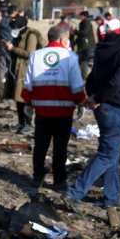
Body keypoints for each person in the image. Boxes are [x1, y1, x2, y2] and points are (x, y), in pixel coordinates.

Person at [62, 11, 120, 214]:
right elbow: (118, 81)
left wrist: (93, 97)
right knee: (107, 155)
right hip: (115, 109)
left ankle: (112, 197)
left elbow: (93, 76)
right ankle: (74, 193)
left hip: (104, 106)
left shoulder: (107, 45)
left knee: (113, 154)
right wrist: (97, 98)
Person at [22, 25, 86, 190]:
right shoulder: (70, 56)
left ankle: (37, 178)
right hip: (63, 112)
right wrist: (81, 104)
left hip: (41, 111)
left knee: (40, 146)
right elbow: (77, 86)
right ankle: (59, 181)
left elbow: (27, 83)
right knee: (60, 147)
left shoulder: (35, 56)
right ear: (62, 39)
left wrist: (28, 103)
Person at [2, 16, 41, 134]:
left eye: (14, 27)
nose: (13, 29)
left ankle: (29, 124)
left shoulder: (31, 36)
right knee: (18, 98)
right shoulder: (19, 35)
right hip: (16, 71)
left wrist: (12, 48)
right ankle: (21, 123)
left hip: (25, 72)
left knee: (25, 99)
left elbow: (30, 54)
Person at [0, 5, 19, 88]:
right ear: (15, 12)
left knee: (1, 69)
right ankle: (12, 88)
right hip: (11, 48)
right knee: (12, 69)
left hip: (1, 47)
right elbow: (16, 34)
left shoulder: (2, 20)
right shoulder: (14, 22)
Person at [74, 11, 96, 81]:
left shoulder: (87, 23)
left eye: (81, 16)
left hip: (87, 47)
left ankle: (86, 78)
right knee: (83, 62)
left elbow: (84, 33)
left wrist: (75, 31)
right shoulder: (82, 23)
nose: (80, 17)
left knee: (85, 62)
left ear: (85, 16)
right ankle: (85, 77)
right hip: (83, 46)